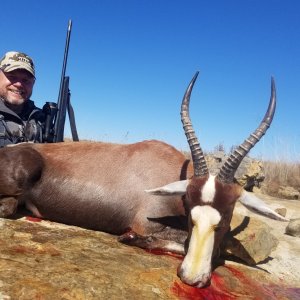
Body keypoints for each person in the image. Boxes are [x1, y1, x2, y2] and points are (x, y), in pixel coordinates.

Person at [0, 51, 46, 147]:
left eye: (26, 80)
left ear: (33, 83)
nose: (19, 84)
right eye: (12, 77)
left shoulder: (42, 119)